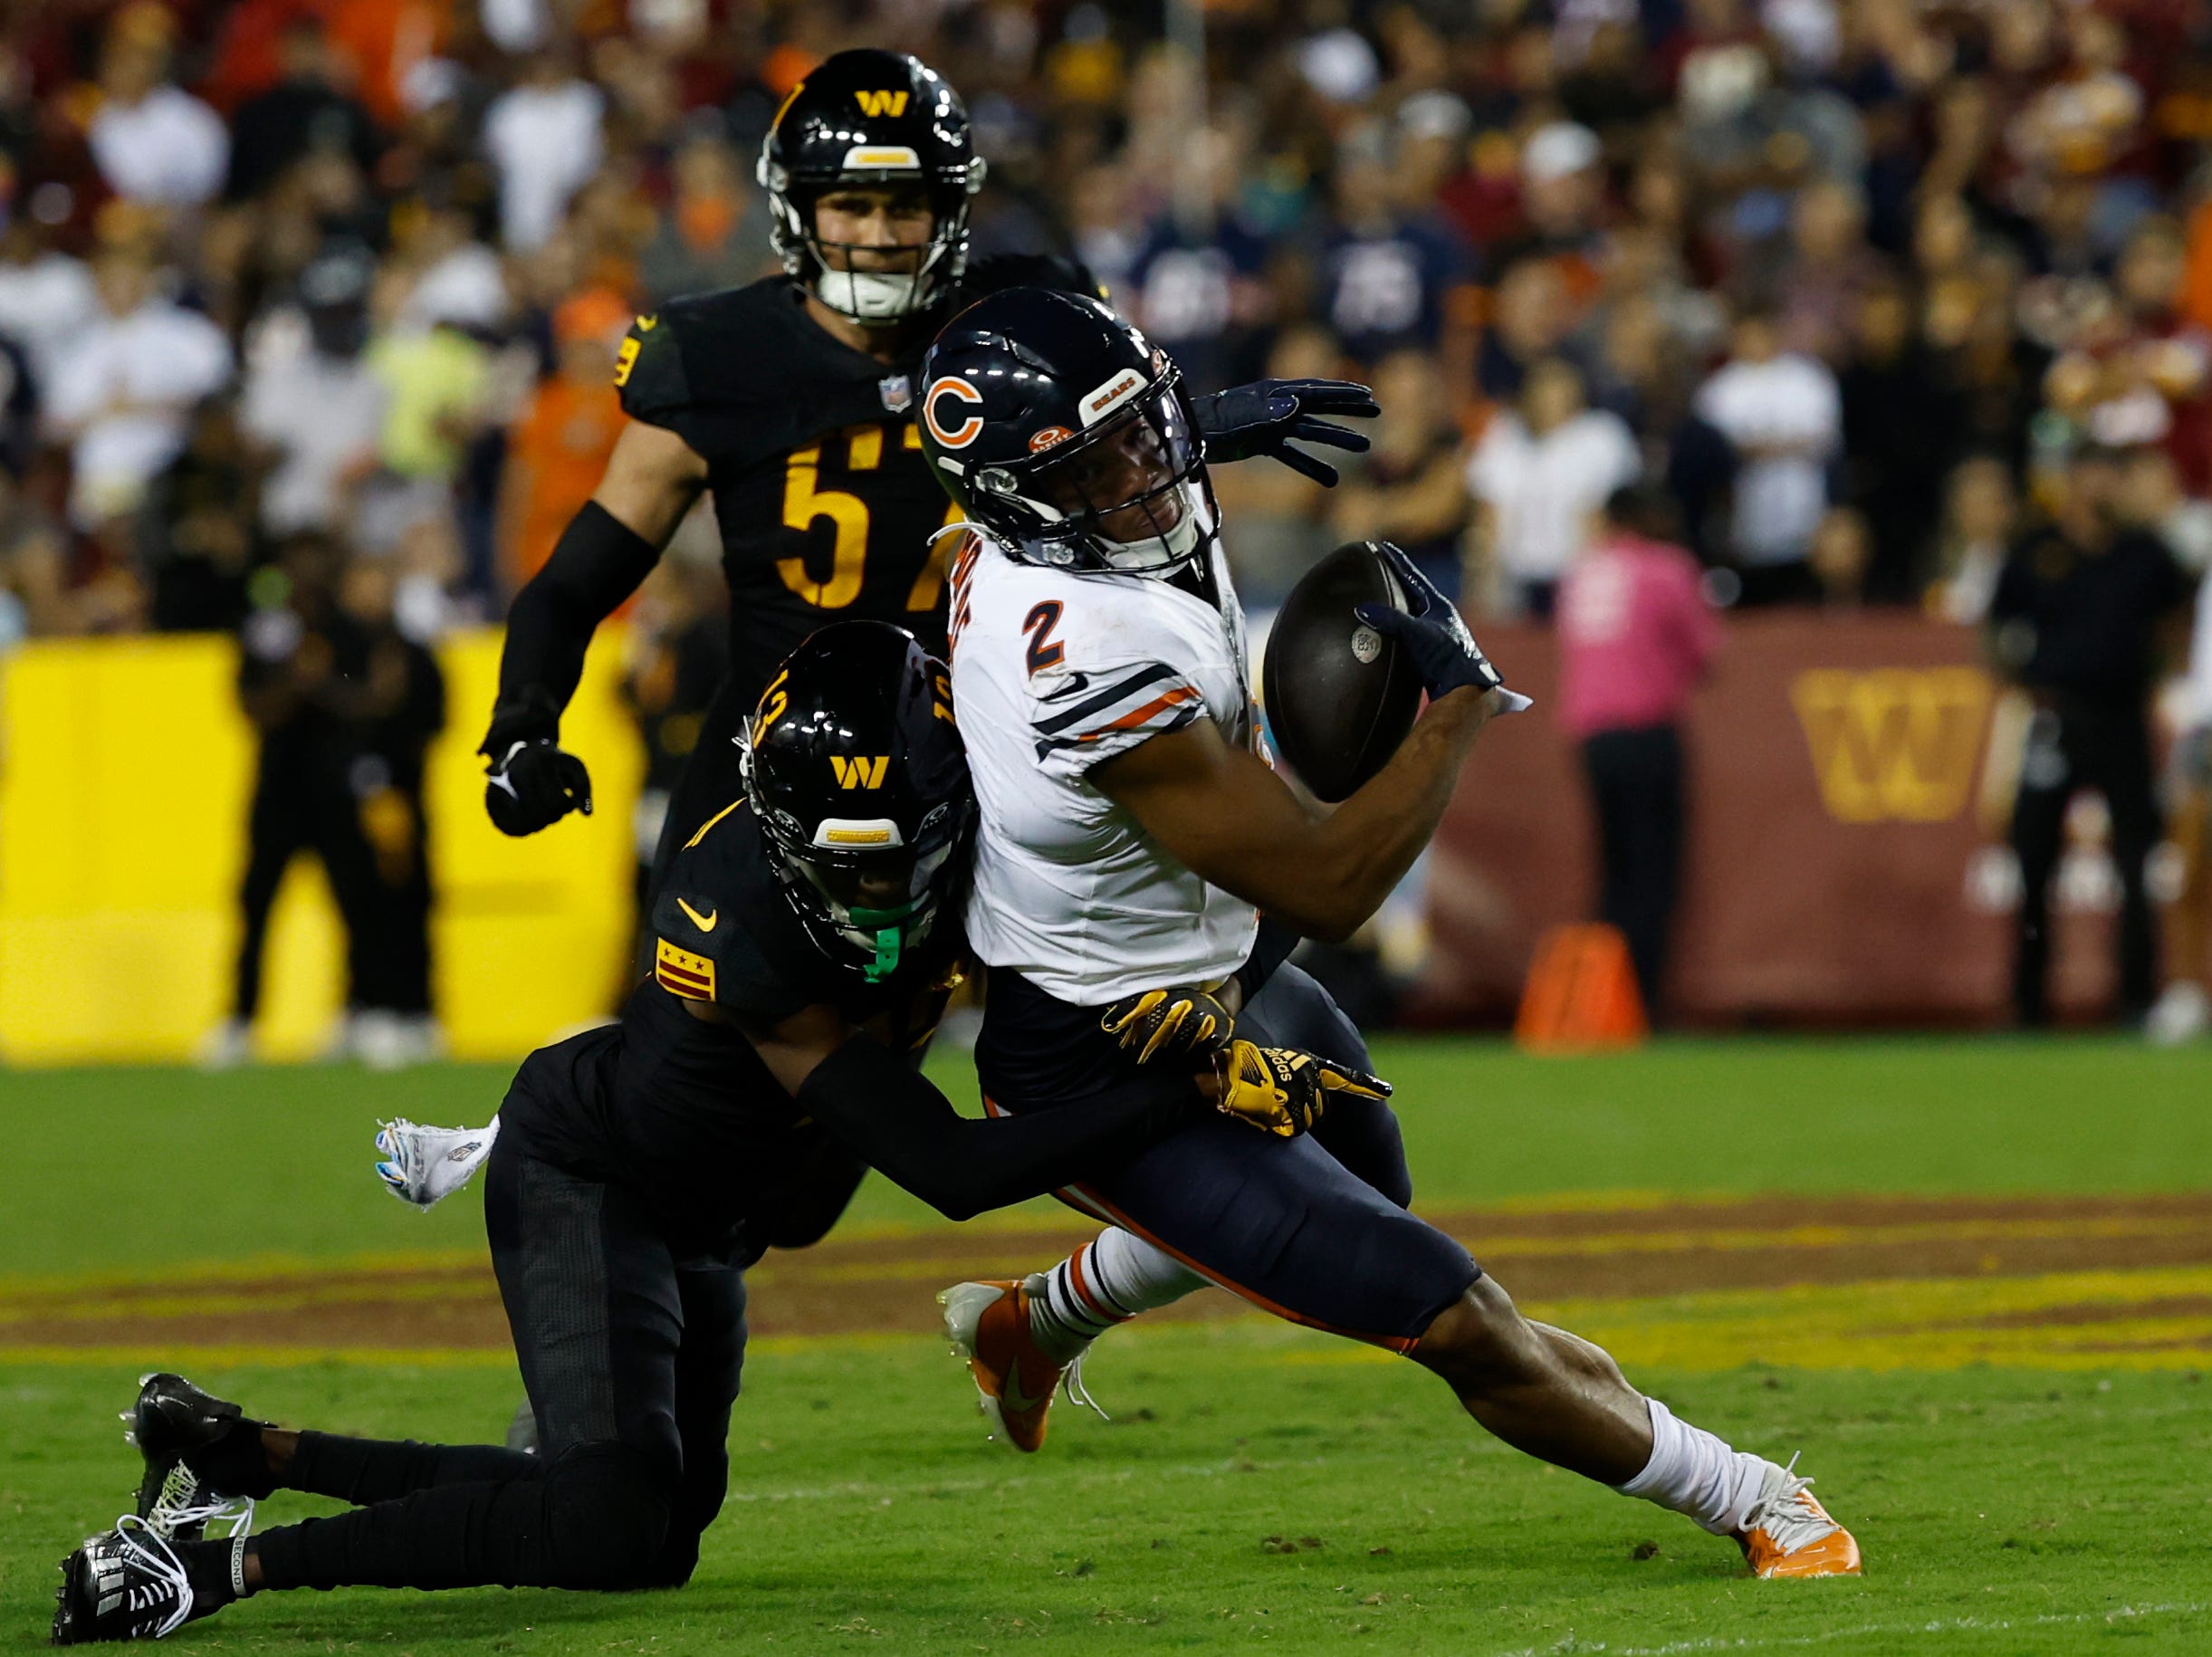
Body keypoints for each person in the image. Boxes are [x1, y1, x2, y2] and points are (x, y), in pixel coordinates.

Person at [51, 624, 1370, 1641]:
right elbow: (953, 1169)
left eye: (892, 850)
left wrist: (1264, 927)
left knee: (644, 1527)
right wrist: (1189, 1079)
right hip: (598, 1178)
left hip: (711, 1214)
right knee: (606, 1513)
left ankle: (241, 1451)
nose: (874, 887)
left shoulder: (977, 829)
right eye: (841, 859)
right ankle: (210, 1566)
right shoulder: (741, 922)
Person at [915, 286, 1858, 1580]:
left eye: (1147, 425)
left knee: (1363, 1182)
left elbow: (1001, 542)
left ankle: (1033, 1323)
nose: (1151, 471)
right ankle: (1758, 1501)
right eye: (1109, 457)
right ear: (1029, 496)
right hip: (1102, 1047)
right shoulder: (1087, 649)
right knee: (1443, 1307)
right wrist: (1456, 704)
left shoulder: (1017, 542)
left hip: (1204, 969)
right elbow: (1329, 888)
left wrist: (1202, 428)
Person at [479, 47, 1374, 908]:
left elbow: (1110, 455)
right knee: (703, 1045)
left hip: (992, 747)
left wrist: (1191, 427)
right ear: (796, 209)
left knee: (1081, 1034)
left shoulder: (1019, 317)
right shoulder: (716, 357)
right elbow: (575, 582)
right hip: (783, 746)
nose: (876, 235)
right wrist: (522, 722)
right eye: (850, 204)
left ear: (950, 208)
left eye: (904, 206)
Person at [1989, 443, 2191, 1027]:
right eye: (2088, 475)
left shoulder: (2145, 554)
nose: (2098, 488)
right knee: (2033, 859)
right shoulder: (2036, 551)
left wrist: (2158, 679)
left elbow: (2175, 623)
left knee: (2135, 858)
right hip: (2056, 715)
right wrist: (2021, 685)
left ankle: (2135, 995)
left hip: (2122, 716)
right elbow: (1997, 626)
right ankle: (2028, 1002)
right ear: (2069, 482)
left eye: (2109, 477)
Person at [1555, 484, 1720, 1014]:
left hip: (1591, 736)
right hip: (1647, 729)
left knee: (1614, 870)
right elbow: (1705, 654)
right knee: (1653, 873)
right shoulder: (1668, 568)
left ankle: (1604, 1001)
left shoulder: (1583, 574)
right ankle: (1642, 1002)